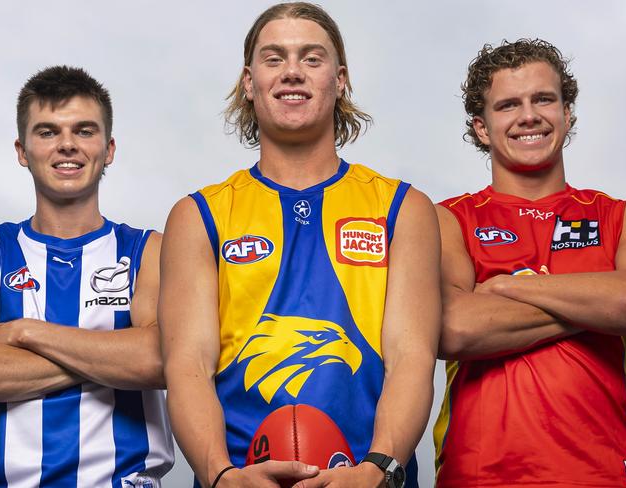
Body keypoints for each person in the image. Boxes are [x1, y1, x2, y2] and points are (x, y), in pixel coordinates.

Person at [159, 3, 440, 487]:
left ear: (341, 78)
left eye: (312, 58)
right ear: (249, 82)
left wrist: (378, 469)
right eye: (274, 58)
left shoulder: (403, 207)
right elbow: (188, 367)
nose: (292, 71)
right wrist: (222, 476)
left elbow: (411, 357)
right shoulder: (197, 215)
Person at [433, 39, 626, 487]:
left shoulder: (619, 215)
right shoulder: (448, 218)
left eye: (543, 98)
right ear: (481, 128)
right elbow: (454, 327)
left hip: (603, 471)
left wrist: (506, 286)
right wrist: (597, 308)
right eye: (508, 105)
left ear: (567, 113)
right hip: (480, 474)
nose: (529, 116)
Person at [0, 66, 174, 487]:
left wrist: (28, 333)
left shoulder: (149, 250)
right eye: (47, 132)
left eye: (85, 131)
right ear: (21, 149)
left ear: (109, 149)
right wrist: (114, 359)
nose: (67, 145)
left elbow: (159, 359)